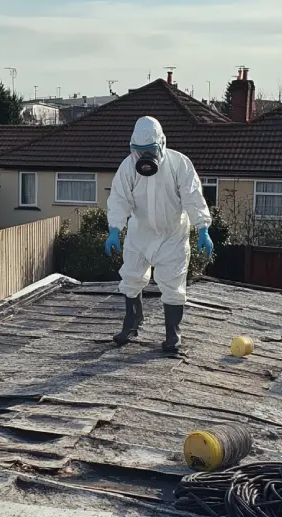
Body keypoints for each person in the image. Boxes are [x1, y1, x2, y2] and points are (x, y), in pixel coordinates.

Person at [104, 116, 213, 353]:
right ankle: (132, 323)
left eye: (149, 151)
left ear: (161, 145)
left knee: (173, 284)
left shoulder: (179, 164)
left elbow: (193, 198)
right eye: (138, 151)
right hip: (139, 234)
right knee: (131, 277)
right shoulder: (127, 167)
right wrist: (114, 229)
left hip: (172, 236)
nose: (143, 157)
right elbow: (119, 199)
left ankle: (173, 333)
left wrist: (203, 228)